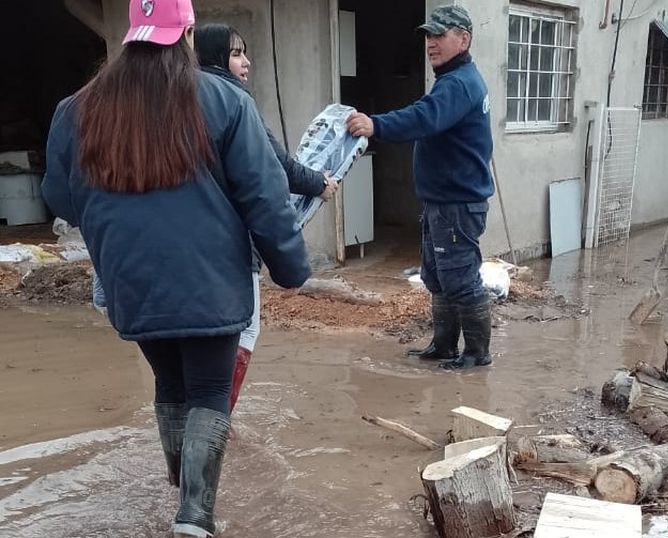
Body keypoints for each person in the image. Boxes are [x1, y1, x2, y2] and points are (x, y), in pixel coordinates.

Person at [41, 0, 311, 536]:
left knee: (169, 379)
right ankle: (195, 516)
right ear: (185, 32)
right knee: (210, 389)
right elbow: (265, 195)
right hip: (209, 277)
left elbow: (62, 200)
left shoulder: (75, 110)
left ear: (131, 34)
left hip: (130, 280)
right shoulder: (223, 100)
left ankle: (177, 487)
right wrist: (291, 269)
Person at [194, 23, 336, 413]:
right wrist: (318, 184)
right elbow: (274, 170)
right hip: (228, 246)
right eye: (237, 53)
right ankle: (220, 417)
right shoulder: (233, 103)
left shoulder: (175, 99)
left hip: (181, 249)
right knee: (245, 327)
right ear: (214, 56)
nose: (247, 62)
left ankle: (199, 425)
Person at [347, 5, 494, 370]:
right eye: (429, 35)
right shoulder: (452, 81)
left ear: (464, 39)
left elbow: (423, 117)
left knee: (460, 279)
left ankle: (477, 354)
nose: (431, 43)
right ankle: (444, 346)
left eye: (439, 35)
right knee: (438, 277)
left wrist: (375, 125)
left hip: (457, 204)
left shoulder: (460, 84)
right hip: (441, 202)